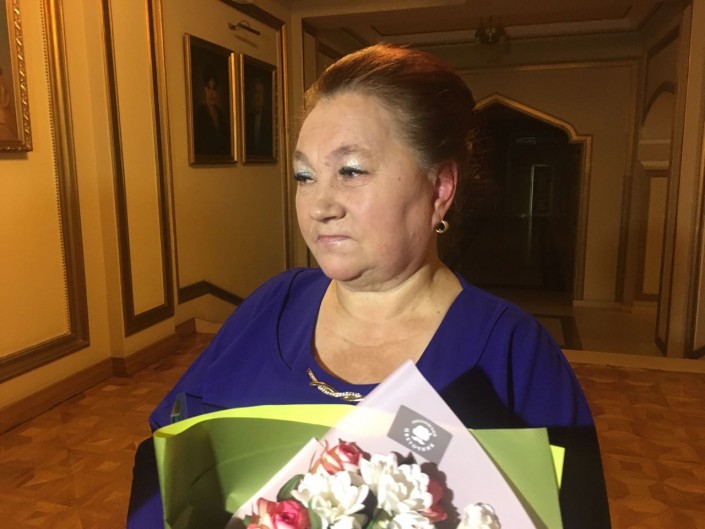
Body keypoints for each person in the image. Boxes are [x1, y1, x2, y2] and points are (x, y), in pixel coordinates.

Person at [128, 43, 610, 528]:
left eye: (351, 171)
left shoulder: (514, 355)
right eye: (304, 175)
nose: (320, 206)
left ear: (439, 188)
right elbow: (167, 462)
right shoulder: (272, 305)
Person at [193, 63, 231, 156]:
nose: (211, 93)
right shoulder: (199, 114)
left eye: (214, 89)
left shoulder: (221, 115)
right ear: (205, 89)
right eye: (208, 88)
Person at [244, 77, 273, 158]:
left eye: (260, 93)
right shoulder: (248, 117)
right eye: (256, 92)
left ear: (263, 95)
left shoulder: (269, 117)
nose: (258, 96)